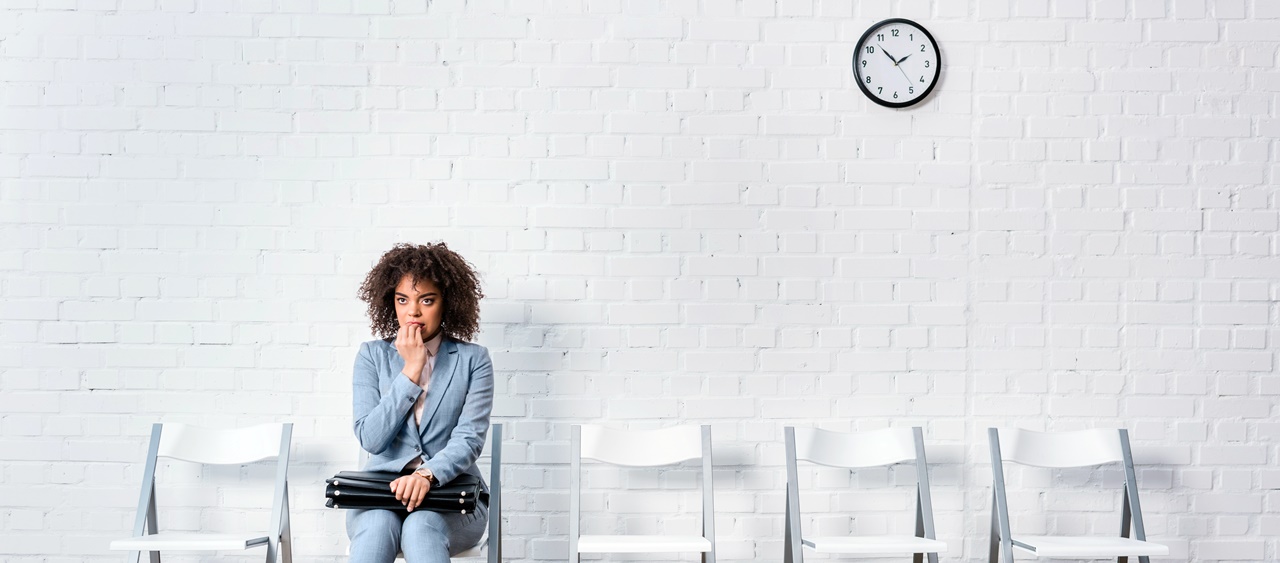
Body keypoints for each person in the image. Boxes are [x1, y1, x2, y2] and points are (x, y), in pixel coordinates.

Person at [347, 242, 493, 563]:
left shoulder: (473, 360)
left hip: (453, 498)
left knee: (420, 527)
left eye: (426, 300)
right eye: (403, 300)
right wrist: (411, 370)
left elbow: (469, 439)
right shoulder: (372, 355)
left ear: (447, 303)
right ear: (391, 303)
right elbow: (371, 438)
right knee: (375, 527)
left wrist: (425, 475)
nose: (412, 311)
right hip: (380, 495)